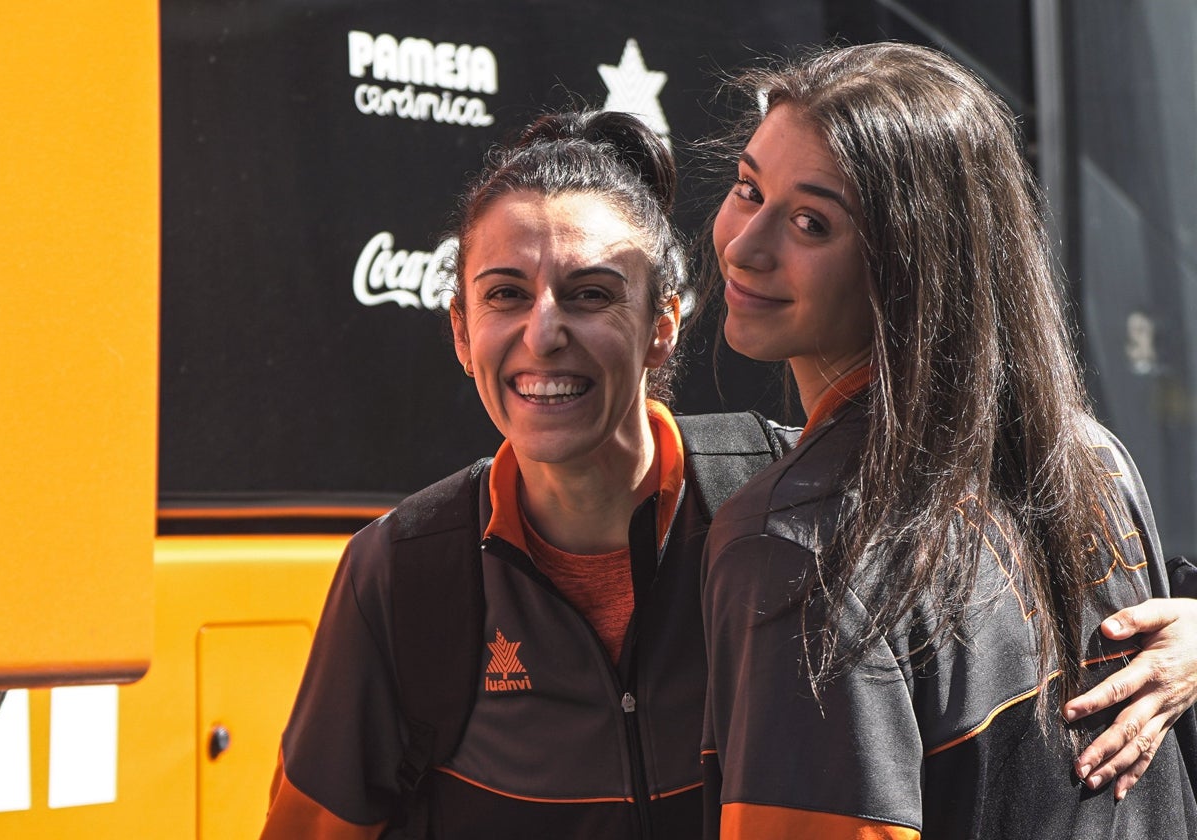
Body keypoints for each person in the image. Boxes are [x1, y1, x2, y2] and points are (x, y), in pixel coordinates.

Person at [261, 106, 1197, 839]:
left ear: (663, 322)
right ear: (462, 332)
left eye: (591, 294)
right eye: (504, 294)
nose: (543, 332)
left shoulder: (798, 518)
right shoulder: (403, 576)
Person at [699, 42, 1197, 839]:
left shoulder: (800, 546)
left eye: (809, 222)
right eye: (747, 189)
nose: (743, 244)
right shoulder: (1093, 457)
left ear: (909, 264)